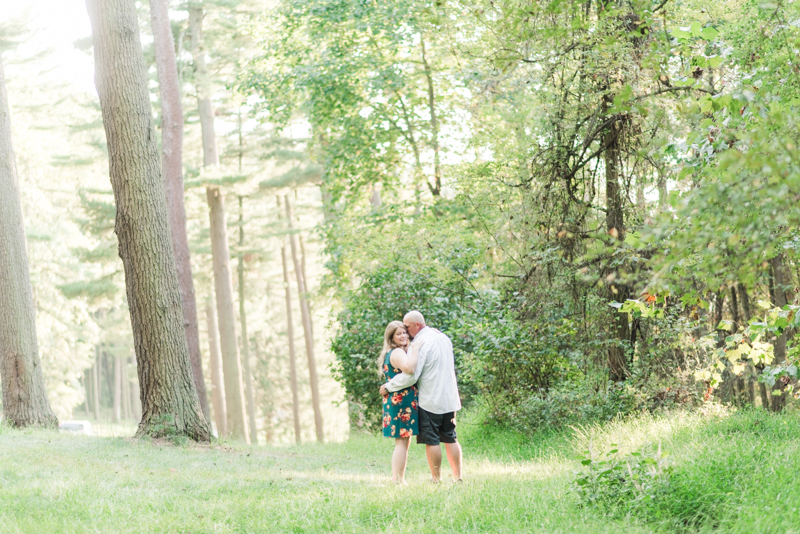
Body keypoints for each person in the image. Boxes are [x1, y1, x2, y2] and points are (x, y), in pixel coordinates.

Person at [380, 311, 462, 483]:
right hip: (450, 397)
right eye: (401, 331)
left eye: (407, 328)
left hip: (431, 398)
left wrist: (388, 386)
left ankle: (436, 479)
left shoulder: (421, 343)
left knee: (432, 440)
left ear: (416, 325)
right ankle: (457, 477)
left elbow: (411, 375)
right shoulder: (443, 337)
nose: (406, 332)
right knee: (450, 437)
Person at [379, 321, 423, 483]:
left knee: (404, 441)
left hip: (400, 399)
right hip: (401, 400)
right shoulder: (397, 352)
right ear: (391, 337)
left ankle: (399, 478)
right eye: (398, 334)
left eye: (404, 332)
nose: (403, 336)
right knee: (401, 442)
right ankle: (397, 479)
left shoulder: (396, 352)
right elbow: (409, 369)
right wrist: (417, 350)